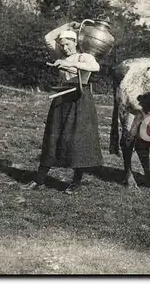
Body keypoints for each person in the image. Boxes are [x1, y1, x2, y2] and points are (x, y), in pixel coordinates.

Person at [22, 22, 103, 194]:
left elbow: (95, 68)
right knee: (53, 137)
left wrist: (69, 66)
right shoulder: (60, 56)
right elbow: (47, 38)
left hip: (80, 99)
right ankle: (40, 179)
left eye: (68, 43)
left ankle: (76, 182)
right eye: (62, 45)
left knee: (78, 140)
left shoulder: (85, 57)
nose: (65, 48)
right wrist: (67, 25)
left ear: (76, 42)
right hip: (61, 98)